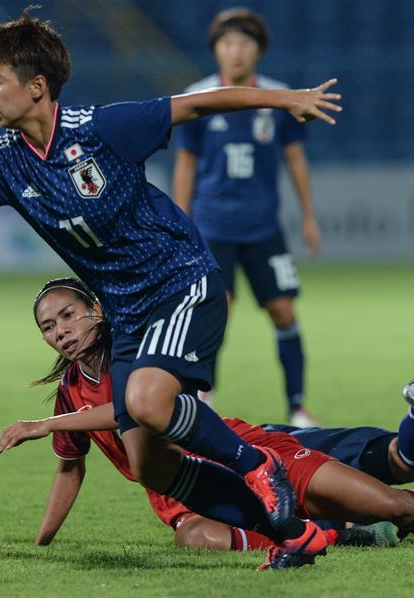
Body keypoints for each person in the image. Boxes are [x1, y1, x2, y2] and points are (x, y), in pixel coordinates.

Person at [0, 9, 344, 569]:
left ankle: (261, 466)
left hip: (180, 280)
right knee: (148, 463)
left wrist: (288, 100)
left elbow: (197, 105)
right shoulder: (0, 160)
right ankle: (295, 532)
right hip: (126, 312)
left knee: (145, 400)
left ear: (36, 87)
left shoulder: (102, 128)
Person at [0, 278, 414, 557]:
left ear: (97, 311)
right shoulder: (70, 390)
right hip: (184, 491)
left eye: (68, 315)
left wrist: (43, 425)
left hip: (249, 449)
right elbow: (69, 469)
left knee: (395, 488)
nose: (60, 330)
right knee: (196, 541)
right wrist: (42, 545)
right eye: (48, 326)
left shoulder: (139, 353)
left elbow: (129, 413)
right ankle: (339, 533)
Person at [171, 8, 320, 426]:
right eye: (227, 43)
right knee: (217, 311)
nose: (236, 52)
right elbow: (186, 163)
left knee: (284, 312)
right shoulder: (195, 97)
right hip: (212, 227)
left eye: (244, 43)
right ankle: (204, 399)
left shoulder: (279, 97)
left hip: (264, 228)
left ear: (259, 50)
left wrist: (309, 216)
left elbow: (295, 158)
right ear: (216, 50)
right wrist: (183, 223)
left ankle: (297, 405)